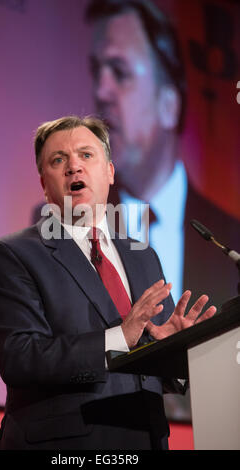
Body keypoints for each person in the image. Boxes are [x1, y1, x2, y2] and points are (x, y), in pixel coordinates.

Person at [0, 115, 216, 450]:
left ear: (110, 171)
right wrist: (120, 336)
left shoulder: (142, 255)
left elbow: (147, 374)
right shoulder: (9, 255)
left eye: (86, 155)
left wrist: (170, 351)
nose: (74, 167)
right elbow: (21, 358)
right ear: (44, 183)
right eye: (58, 160)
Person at [85, 0, 240, 311]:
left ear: (169, 103)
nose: (101, 92)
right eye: (96, 71)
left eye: (119, 71)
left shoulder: (230, 238)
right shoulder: (71, 229)